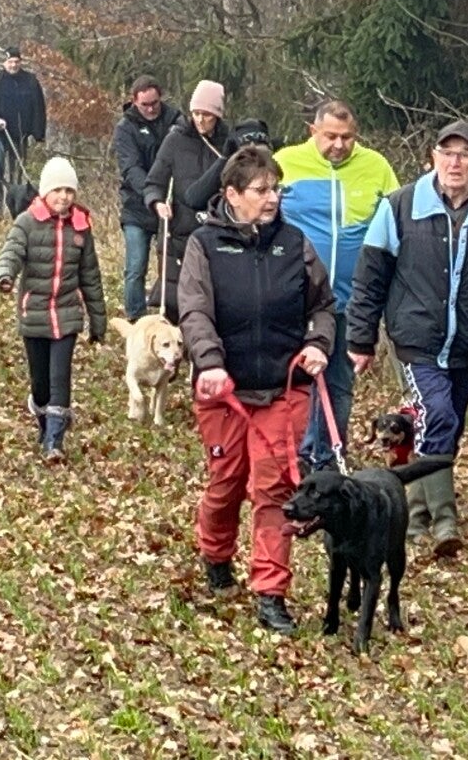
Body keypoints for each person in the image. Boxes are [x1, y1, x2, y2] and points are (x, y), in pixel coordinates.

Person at [345, 120, 468, 558]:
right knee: (439, 416)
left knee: (445, 426)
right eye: (447, 153)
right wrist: (361, 339)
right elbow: (370, 276)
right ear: (432, 158)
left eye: (465, 154)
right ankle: (444, 521)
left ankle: (414, 513)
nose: (455, 162)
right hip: (414, 340)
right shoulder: (400, 206)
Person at [177, 145, 335, 635]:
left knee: (274, 489)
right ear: (232, 194)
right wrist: (209, 362)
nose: (272, 198)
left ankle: (271, 591)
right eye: (261, 190)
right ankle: (215, 553)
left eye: (276, 189)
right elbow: (194, 311)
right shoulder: (204, 245)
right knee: (226, 483)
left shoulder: (295, 243)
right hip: (224, 391)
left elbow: (323, 306)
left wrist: (318, 344)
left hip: (283, 390)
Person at [273, 100, 401, 472]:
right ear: (313, 131)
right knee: (289, 379)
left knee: (338, 382)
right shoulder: (286, 163)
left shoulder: (376, 166)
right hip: (292, 296)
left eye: (347, 137)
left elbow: (397, 224)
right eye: (331, 136)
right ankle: (286, 455)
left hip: (349, 298)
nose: (339, 145)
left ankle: (326, 458)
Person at [0, 157, 107, 461]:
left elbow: (91, 276)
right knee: (40, 383)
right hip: (35, 313)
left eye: (69, 191)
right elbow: (11, 253)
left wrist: (98, 320)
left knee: (60, 378)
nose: (63, 197)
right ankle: (43, 424)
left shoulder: (80, 226)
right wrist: (4, 275)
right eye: (57, 190)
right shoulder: (27, 222)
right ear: (45, 192)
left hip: (67, 315)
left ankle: (54, 441)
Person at [142, 80, 228, 322]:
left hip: (214, 230)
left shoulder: (227, 143)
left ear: (217, 115)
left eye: (207, 115)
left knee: (210, 300)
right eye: (196, 113)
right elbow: (154, 182)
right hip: (178, 232)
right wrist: (157, 202)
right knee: (175, 300)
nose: (200, 119)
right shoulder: (175, 140)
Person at [113, 75, 180, 320]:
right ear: (134, 101)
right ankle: (135, 318)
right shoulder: (125, 128)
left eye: (155, 103)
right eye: (145, 105)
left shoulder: (176, 122)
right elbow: (131, 168)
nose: (151, 109)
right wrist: (153, 195)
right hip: (137, 207)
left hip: (171, 207)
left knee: (171, 267)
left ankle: (170, 314)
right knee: (135, 266)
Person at [0, 47, 47, 221]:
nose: (13, 65)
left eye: (16, 62)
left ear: (21, 62)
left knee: (17, 170)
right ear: (4, 62)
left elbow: (39, 107)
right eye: (10, 62)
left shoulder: (30, 81)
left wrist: (38, 133)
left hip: (20, 134)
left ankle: (17, 207)